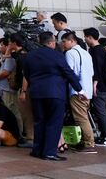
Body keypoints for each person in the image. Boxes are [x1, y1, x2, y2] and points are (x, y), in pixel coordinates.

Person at [21, 31, 84, 161]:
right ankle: (49, 152)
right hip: (55, 92)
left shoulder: (30, 56)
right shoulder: (58, 55)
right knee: (54, 122)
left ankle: (37, 150)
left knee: (39, 121)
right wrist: (79, 89)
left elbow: (26, 74)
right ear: (51, 42)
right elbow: (68, 72)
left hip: (37, 93)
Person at [60, 31, 96, 153]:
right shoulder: (86, 53)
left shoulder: (70, 53)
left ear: (72, 41)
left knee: (81, 118)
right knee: (83, 115)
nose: (63, 44)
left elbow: (69, 72)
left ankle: (89, 143)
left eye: (64, 41)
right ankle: (85, 142)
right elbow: (91, 73)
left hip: (77, 91)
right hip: (87, 90)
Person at [83, 28, 106, 146]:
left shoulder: (95, 51)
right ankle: (105, 136)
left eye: (85, 37)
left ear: (90, 37)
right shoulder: (102, 50)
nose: (85, 39)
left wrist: (95, 83)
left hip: (99, 86)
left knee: (100, 111)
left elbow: (96, 68)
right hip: (104, 85)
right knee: (101, 110)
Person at [0, 37, 25, 144]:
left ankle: (18, 134)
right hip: (4, 89)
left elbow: (6, 72)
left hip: (8, 89)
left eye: (2, 45)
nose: (0, 47)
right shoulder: (8, 57)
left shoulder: (11, 58)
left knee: (13, 111)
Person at [10, 33, 33, 144]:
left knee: (26, 114)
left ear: (14, 43)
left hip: (25, 88)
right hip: (25, 88)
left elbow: (25, 75)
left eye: (10, 42)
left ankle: (30, 138)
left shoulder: (23, 57)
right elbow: (9, 55)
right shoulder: (22, 54)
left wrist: (23, 91)